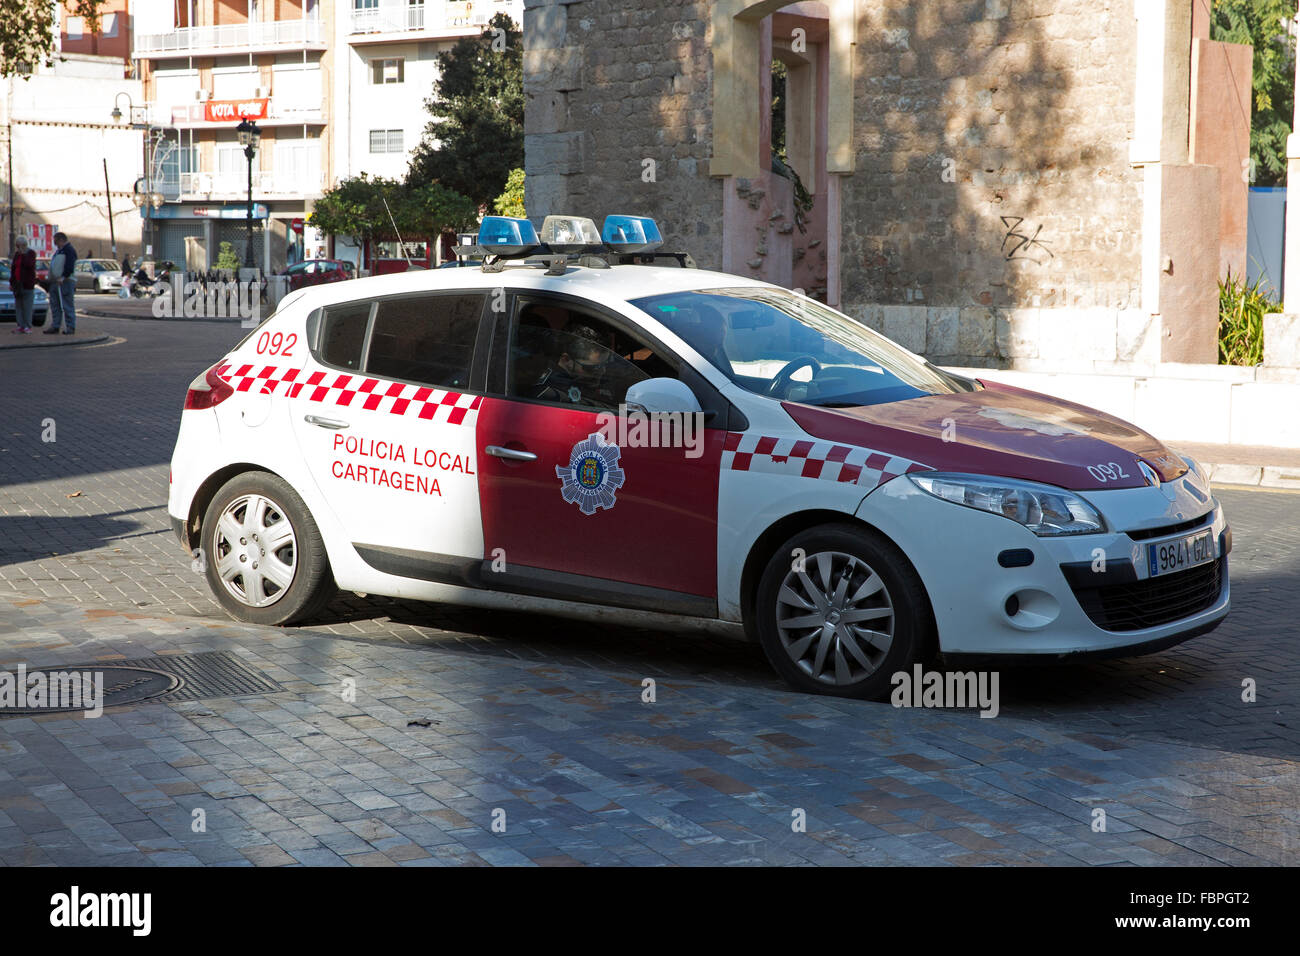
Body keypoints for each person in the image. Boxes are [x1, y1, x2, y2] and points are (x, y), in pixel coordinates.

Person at [43, 232, 77, 335]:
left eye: (56, 241)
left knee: (67, 304)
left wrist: (63, 277)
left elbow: (69, 266)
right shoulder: (59, 251)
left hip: (65, 281)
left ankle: (70, 327)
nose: (55, 244)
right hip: (55, 281)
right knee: (55, 304)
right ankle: (55, 325)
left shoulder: (68, 250)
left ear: (61, 240)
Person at [9, 237, 36, 334]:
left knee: (27, 306)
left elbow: (29, 265)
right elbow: (13, 269)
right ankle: (20, 325)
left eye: (21, 245)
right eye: (17, 245)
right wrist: (11, 282)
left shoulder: (31, 253)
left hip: (27, 284)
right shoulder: (16, 254)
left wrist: (24, 255)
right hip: (17, 284)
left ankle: (27, 326)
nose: (19, 248)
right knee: (19, 306)